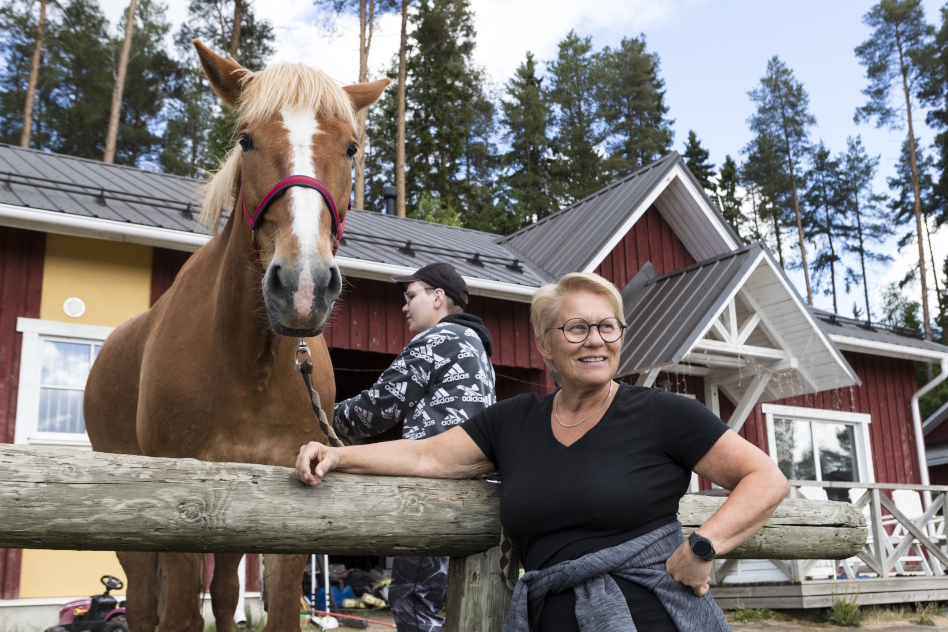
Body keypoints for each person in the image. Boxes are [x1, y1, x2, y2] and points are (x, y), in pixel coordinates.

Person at [299, 272, 789, 631]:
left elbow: (766, 479)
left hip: (651, 616)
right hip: (549, 616)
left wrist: (703, 546)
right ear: (546, 345)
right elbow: (426, 456)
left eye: (608, 327)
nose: (595, 340)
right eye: (576, 328)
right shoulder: (515, 421)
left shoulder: (662, 413)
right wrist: (340, 455)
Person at [331, 261, 496, 632]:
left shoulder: (438, 339)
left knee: (411, 602)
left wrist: (321, 416)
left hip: (436, 489)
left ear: (438, 297)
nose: (404, 306)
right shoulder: (477, 350)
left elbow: (377, 409)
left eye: (410, 296)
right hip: (474, 492)